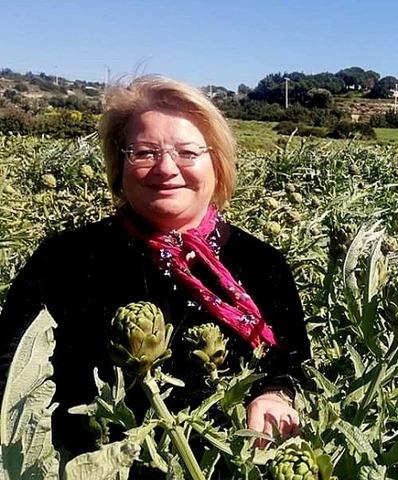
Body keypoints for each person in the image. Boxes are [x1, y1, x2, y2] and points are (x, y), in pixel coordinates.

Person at [0, 75, 311, 460]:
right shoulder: (64, 258)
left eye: (187, 152)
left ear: (216, 163)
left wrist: (275, 394)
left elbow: (293, 360)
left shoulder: (263, 263)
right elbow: (9, 370)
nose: (166, 169)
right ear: (119, 165)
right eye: (144, 152)